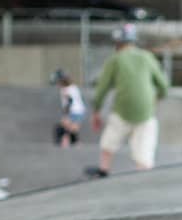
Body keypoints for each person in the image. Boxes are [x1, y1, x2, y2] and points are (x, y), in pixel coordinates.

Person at [85, 24, 170, 179]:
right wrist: (156, 99)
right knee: (144, 152)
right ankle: (144, 174)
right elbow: (163, 86)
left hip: (122, 111)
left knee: (108, 143)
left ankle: (103, 170)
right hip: (146, 112)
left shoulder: (115, 59)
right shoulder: (147, 57)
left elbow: (102, 88)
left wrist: (96, 111)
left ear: (117, 43)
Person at [51, 68, 87, 148]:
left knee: (64, 126)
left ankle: (65, 141)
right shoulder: (73, 87)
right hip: (80, 110)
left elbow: (69, 101)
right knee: (72, 127)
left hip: (73, 110)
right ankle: (76, 143)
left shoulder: (65, 89)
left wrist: (66, 113)